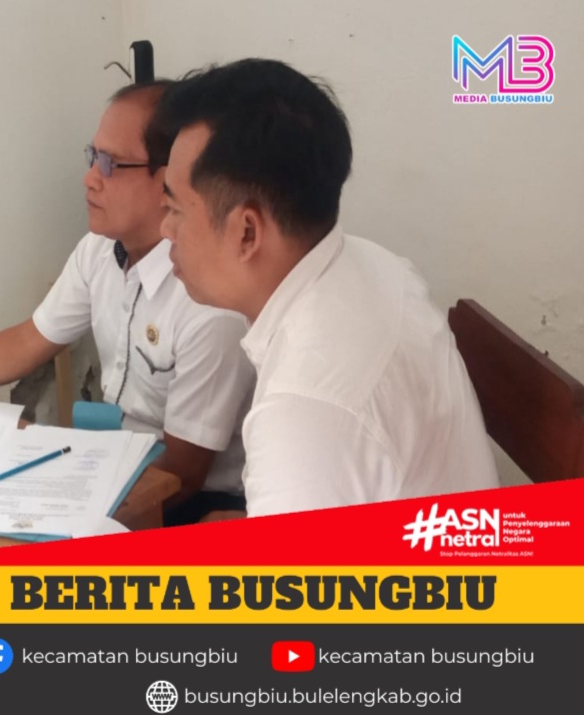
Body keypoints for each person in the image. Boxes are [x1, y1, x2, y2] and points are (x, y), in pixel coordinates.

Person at [0, 81, 256, 518]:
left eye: (110, 164)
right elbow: (31, 339)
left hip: (193, 504)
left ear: (171, 178)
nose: (90, 178)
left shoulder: (209, 301)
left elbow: (181, 476)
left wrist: (71, 509)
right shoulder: (100, 250)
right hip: (112, 464)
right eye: (93, 156)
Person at [155, 58, 499, 517]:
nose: (164, 230)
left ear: (247, 233)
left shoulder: (303, 412)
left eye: (175, 210)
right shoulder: (377, 264)